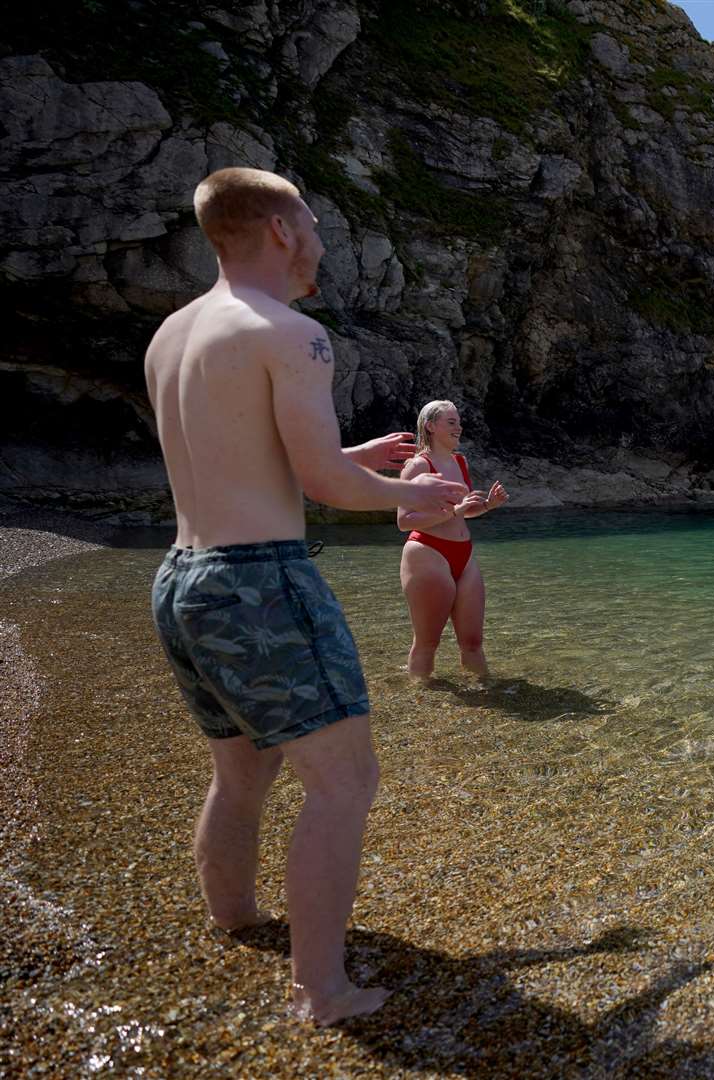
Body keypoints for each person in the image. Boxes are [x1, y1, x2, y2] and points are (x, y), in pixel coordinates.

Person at [145, 167, 467, 1025]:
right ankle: (322, 991)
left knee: (240, 770)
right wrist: (417, 495)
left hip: (182, 578)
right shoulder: (295, 333)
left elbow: (250, 458)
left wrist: (356, 454)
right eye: (313, 224)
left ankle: (235, 919)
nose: (322, 240)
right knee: (344, 783)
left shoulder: (174, 334)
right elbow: (321, 486)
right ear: (280, 230)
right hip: (260, 579)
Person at [397, 400, 508, 681]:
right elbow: (404, 520)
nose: (458, 427)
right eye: (451, 422)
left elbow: (464, 512)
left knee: (472, 642)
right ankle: (420, 702)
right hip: (428, 553)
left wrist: (486, 506)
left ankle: (491, 696)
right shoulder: (418, 466)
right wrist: (454, 511)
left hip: (464, 553)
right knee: (427, 643)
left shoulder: (460, 461)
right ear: (431, 426)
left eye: (458, 422)